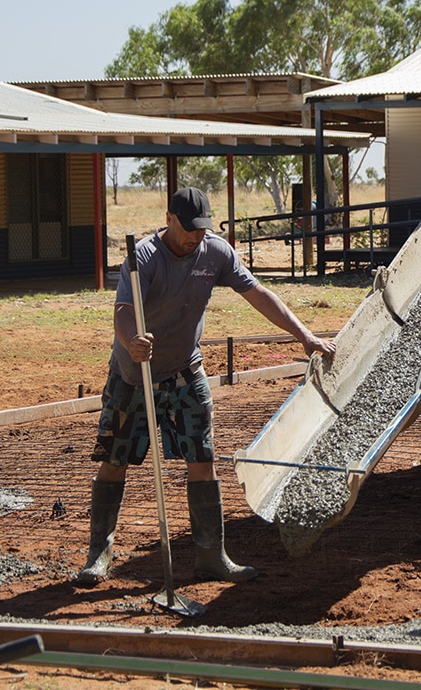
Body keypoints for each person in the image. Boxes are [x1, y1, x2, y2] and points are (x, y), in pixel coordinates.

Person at [75, 186, 336, 587]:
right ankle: (99, 554)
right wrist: (132, 341)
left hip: (185, 372)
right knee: (115, 461)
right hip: (133, 375)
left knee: (202, 459)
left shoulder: (215, 252)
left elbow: (258, 294)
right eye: (189, 229)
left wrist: (304, 335)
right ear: (169, 219)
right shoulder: (144, 257)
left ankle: (212, 557)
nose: (196, 236)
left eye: (202, 228)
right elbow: (123, 311)